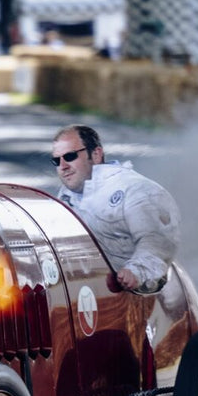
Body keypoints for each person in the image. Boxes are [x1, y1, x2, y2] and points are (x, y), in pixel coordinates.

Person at [50, 124, 180, 291]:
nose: (63, 166)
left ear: (96, 154)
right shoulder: (64, 197)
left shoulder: (135, 189)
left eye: (69, 156)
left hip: (131, 300)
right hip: (83, 294)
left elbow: (158, 241)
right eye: (56, 160)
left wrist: (135, 271)